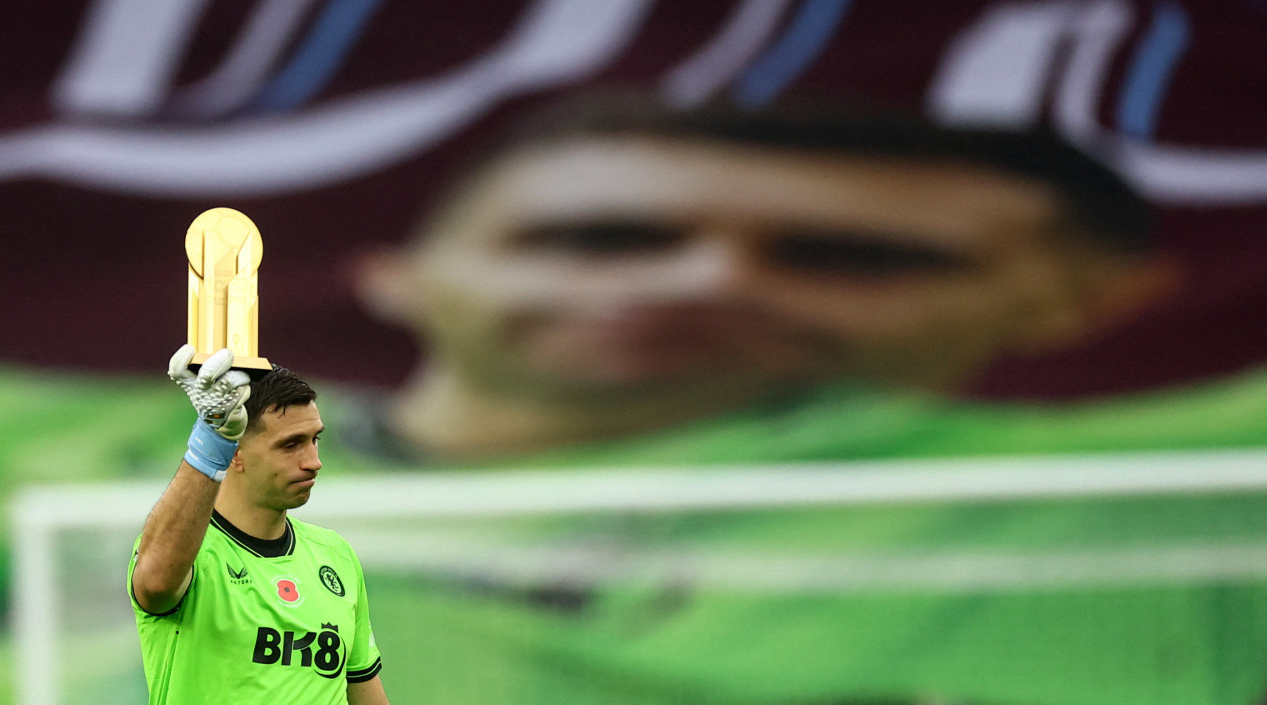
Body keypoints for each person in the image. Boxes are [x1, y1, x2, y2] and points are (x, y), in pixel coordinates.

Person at [351, 93, 1183, 462]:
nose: (707, 281)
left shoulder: (1154, 488)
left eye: (851, 256)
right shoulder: (224, 471)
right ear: (398, 277)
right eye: (600, 239)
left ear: (1086, 303)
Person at [128, 345, 390, 704]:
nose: (314, 462)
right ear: (235, 452)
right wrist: (211, 441)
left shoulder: (336, 555)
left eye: (315, 439)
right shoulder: (188, 552)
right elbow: (157, 581)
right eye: (291, 444)